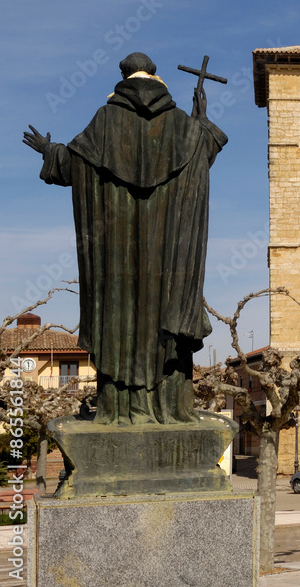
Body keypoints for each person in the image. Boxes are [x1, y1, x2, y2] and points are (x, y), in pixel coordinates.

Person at [23, 52, 227, 425]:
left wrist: (49, 151)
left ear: (123, 76)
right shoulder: (183, 125)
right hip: (169, 263)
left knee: (119, 320)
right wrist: (201, 119)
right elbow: (202, 150)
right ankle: (169, 408)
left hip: (117, 264)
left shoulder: (104, 122)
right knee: (166, 320)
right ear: (155, 76)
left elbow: (74, 163)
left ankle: (120, 409)